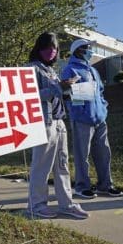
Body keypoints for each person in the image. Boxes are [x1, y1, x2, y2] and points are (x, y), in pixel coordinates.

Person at [25, 32, 89, 219]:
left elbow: (56, 93)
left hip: (59, 121)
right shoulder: (31, 69)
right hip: (43, 122)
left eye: (55, 48)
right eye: (47, 47)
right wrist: (59, 87)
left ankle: (66, 203)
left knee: (62, 165)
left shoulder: (51, 70)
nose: (51, 52)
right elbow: (31, 97)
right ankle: (36, 205)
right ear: (39, 48)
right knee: (41, 166)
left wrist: (69, 90)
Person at [61, 39, 123, 198]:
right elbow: (69, 96)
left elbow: (100, 91)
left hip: (100, 118)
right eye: (87, 48)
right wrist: (80, 112)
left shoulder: (93, 70)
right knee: (82, 155)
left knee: (104, 153)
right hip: (82, 119)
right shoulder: (70, 69)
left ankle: (105, 185)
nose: (90, 51)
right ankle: (82, 186)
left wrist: (103, 107)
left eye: (90, 48)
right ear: (78, 50)